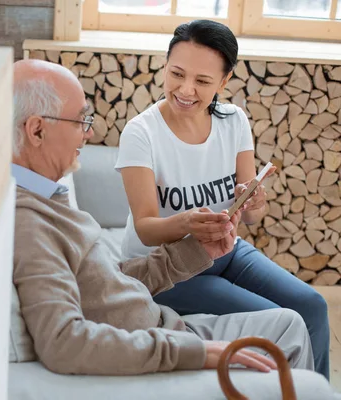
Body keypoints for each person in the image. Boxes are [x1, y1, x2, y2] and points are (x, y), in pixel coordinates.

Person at [11, 58, 314, 376]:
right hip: (161, 343)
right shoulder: (28, 222)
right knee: (290, 330)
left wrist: (198, 251)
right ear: (37, 130)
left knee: (294, 320)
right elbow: (62, 343)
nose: (87, 134)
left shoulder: (45, 197)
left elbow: (103, 285)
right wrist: (196, 352)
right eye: (79, 121)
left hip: (162, 329)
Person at [114, 19, 329, 379]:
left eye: (202, 81)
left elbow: (250, 217)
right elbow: (147, 229)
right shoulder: (141, 133)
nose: (185, 89)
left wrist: (254, 203)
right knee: (282, 322)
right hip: (164, 268)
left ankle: (315, 391)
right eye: (176, 74)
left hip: (224, 252)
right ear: (165, 66)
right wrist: (187, 222)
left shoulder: (234, 122)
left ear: (224, 81)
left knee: (312, 305)